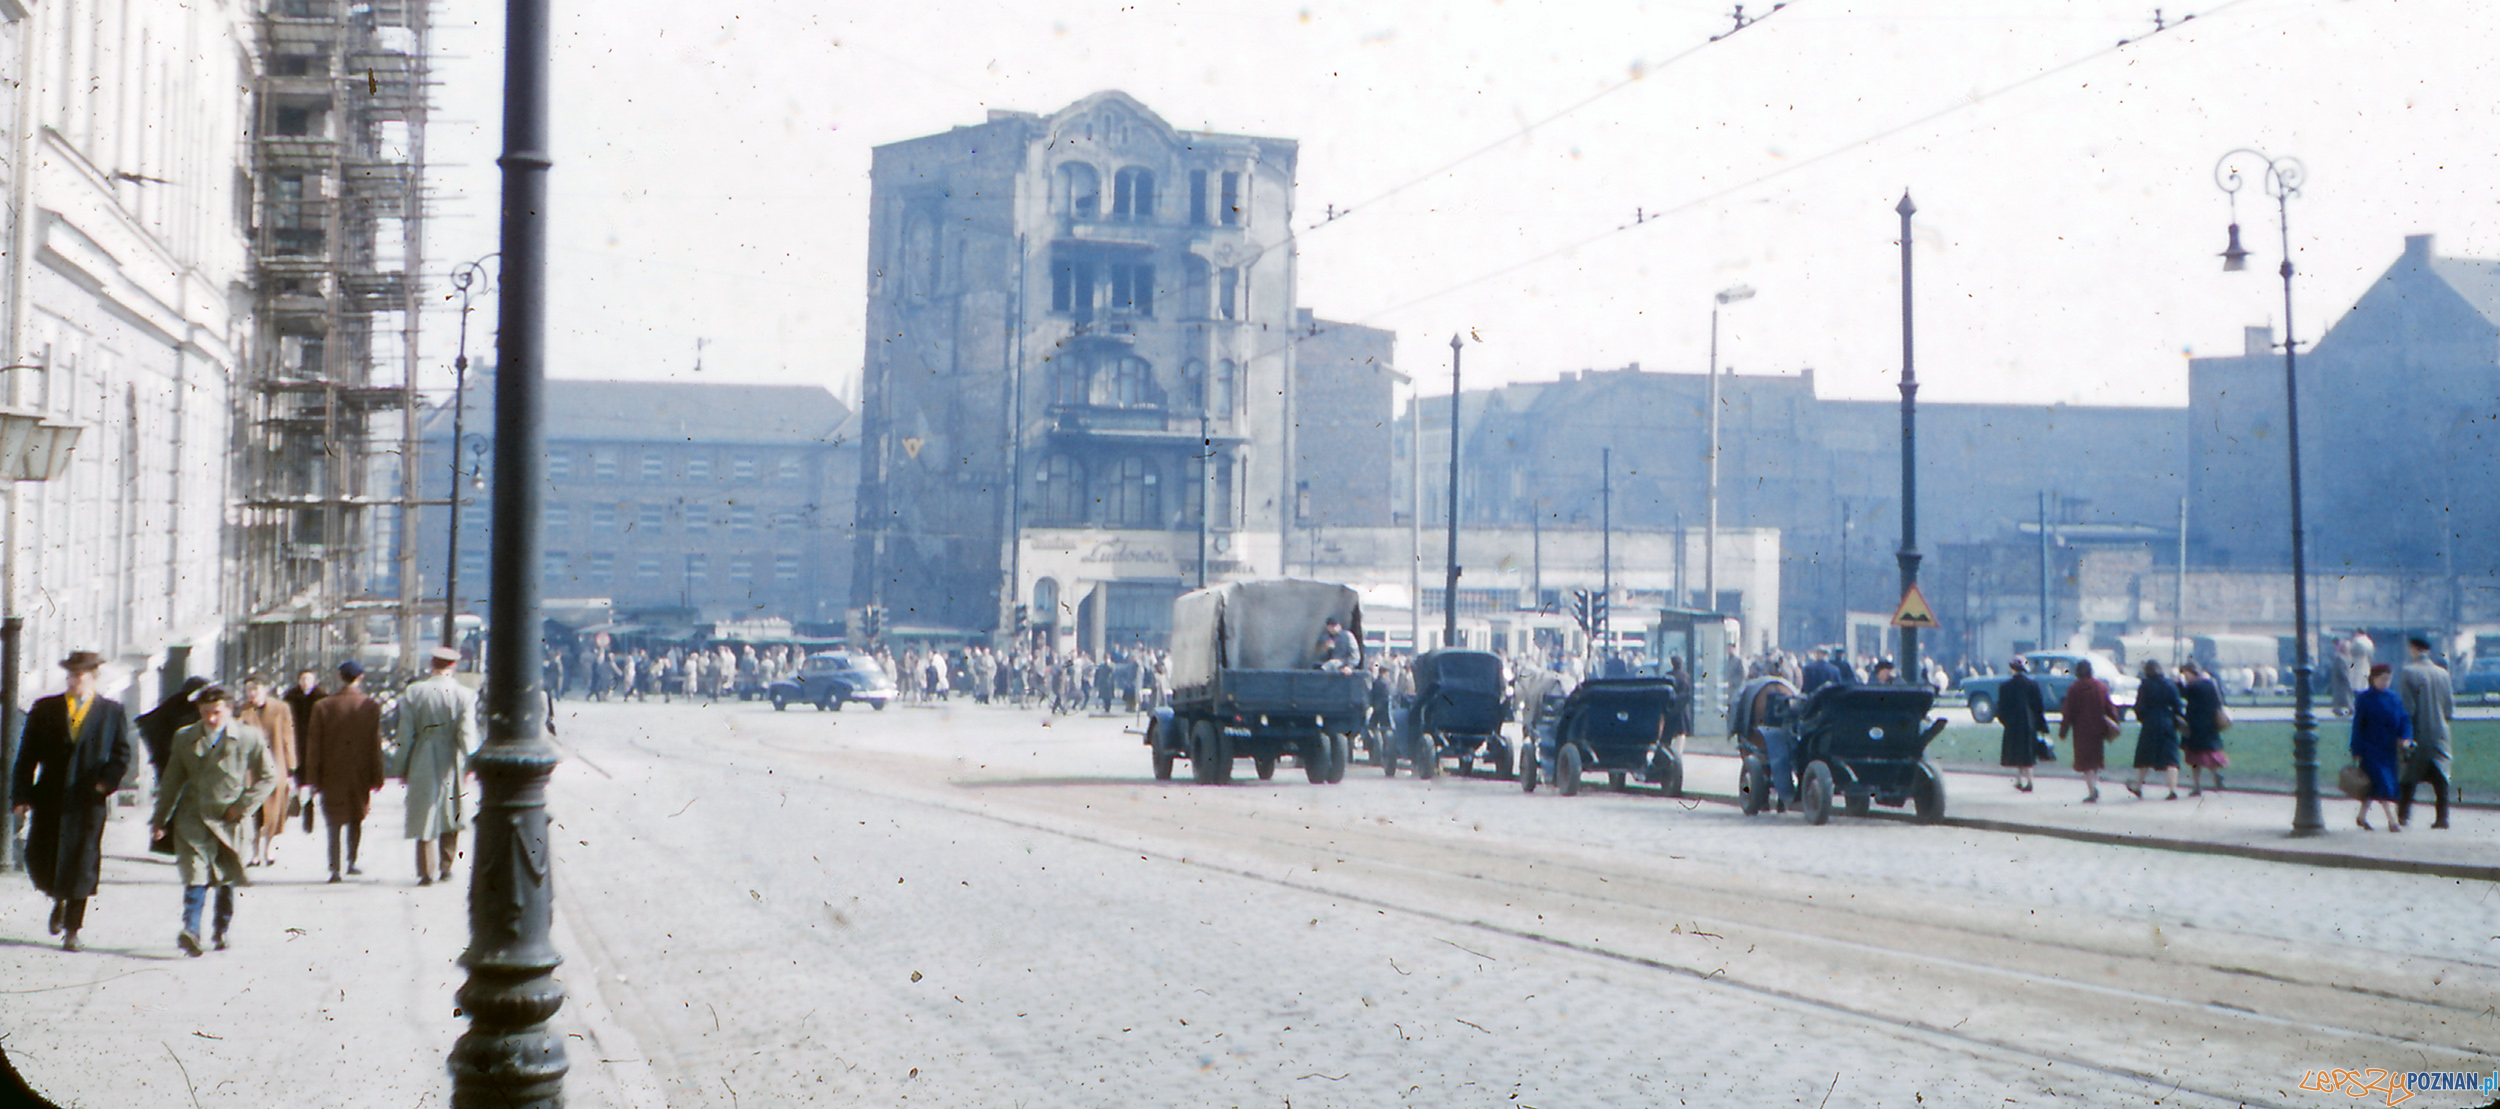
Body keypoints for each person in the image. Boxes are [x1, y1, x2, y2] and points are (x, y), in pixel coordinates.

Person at [10, 650, 133, 952]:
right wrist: (22, 795)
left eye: (81, 675)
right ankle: (57, 898)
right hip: (50, 796)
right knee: (42, 857)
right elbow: (26, 756)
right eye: (71, 675)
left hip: (87, 800)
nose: (75, 681)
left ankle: (72, 929)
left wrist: (105, 784)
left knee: (82, 862)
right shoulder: (45, 709)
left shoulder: (110, 712)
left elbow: (121, 755)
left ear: (94, 677)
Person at [150, 685, 277, 956]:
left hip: (229, 820)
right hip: (193, 816)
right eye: (205, 713)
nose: (210, 719)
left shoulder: (248, 737)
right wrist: (159, 819)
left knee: (224, 877)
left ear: (229, 710)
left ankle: (221, 929)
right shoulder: (185, 737)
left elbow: (269, 777)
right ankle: (191, 930)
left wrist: (242, 806)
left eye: (216, 712)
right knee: (194, 873)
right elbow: (171, 780)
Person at [397, 646, 480, 886]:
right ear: (452, 667)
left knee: (424, 811)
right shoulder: (465, 695)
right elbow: (467, 734)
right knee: (450, 809)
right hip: (451, 757)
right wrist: (470, 761)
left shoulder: (414, 692)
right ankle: (446, 866)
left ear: (431, 664)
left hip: (422, 753)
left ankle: (425, 870)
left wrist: (402, 766)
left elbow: (405, 734)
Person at [302, 660, 386, 882]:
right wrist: (377, 776)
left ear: (340, 677)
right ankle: (352, 861)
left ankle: (335, 868)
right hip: (359, 772)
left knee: (334, 821)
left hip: (331, 773)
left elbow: (313, 745)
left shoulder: (323, 706)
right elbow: (374, 744)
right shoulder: (370, 705)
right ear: (360, 678)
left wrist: (312, 778)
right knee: (356, 817)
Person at [237, 677, 299, 867]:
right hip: (250, 766)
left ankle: (268, 847)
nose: (252, 693)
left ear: (265, 689)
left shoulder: (280, 708)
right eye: (249, 690)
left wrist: (291, 765)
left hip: (275, 762)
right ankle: (255, 852)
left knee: (273, 810)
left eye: (255, 689)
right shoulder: (242, 709)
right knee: (254, 810)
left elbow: (288, 735)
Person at [2395, 636, 2453, 829]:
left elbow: (2407, 708)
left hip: (2417, 730)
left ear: (2412, 648)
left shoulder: (2408, 672)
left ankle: (2403, 816)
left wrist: (2402, 732)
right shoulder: (2442, 673)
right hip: (2440, 733)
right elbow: (2449, 709)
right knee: (2441, 777)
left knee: (2409, 775)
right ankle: (2442, 818)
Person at [2348, 663, 2410, 831]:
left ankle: (2361, 817)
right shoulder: (2364, 699)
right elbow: (2358, 726)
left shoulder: (2394, 698)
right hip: (2371, 749)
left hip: (2389, 749)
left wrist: (2405, 737)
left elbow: (2404, 719)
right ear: (2373, 679)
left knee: (2373, 786)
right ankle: (2393, 821)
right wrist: (2356, 750)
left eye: (2388, 679)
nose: (2386, 682)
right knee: (2383, 784)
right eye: (2383, 679)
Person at [2057, 658, 2122, 803]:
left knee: (2086, 763)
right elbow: (2110, 708)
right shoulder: (2101, 687)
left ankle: (2092, 790)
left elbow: (2068, 712)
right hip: (2098, 729)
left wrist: (2063, 731)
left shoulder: (2074, 689)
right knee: (2095, 760)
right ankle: (2094, 786)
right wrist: (2114, 724)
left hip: (2081, 730)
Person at [2126, 660, 2183, 800]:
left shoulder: (2145, 685)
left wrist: (2143, 718)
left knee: (2144, 756)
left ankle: (2138, 786)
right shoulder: (2170, 684)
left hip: (2150, 723)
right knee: (2171, 757)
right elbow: (2178, 706)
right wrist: (2175, 721)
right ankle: (2172, 789)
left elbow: (2139, 707)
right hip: (2167, 722)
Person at [1995, 656, 2047, 792]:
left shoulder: (2005, 686)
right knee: (2027, 752)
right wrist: (2040, 724)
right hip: (2029, 724)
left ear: (2012, 668)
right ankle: (2021, 780)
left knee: (2018, 752)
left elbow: (2001, 708)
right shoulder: (2033, 685)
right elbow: (2039, 706)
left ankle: (2028, 782)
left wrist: (2006, 721)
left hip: (2013, 724)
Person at [2177, 661, 2228, 796]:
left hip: (2195, 725)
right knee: (2208, 754)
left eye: (2185, 674)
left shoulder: (2194, 686)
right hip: (2210, 724)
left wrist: (2178, 682)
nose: (2185, 676)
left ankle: (2197, 786)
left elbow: (2182, 693)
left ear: (2190, 672)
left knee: (2194, 758)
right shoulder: (2210, 684)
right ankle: (2216, 776)